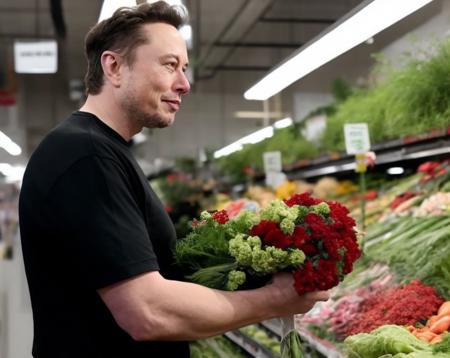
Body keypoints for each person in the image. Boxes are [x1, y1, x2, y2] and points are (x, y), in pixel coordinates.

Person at [18, 2, 329, 357]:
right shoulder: (86, 156)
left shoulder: (103, 150)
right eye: (169, 65)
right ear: (114, 66)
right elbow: (148, 312)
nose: (184, 84)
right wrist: (275, 299)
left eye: (184, 68)